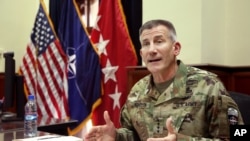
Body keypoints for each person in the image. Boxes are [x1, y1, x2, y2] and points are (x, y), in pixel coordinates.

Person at [84, 19, 244, 141]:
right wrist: (116, 136)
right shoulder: (137, 91)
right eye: (146, 44)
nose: (152, 50)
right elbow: (134, 135)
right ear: (141, 54)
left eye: (159, 41)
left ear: (176, 48)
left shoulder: (209, 85)